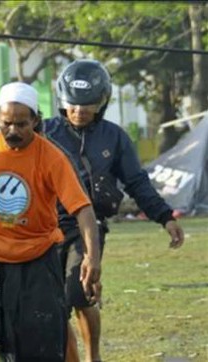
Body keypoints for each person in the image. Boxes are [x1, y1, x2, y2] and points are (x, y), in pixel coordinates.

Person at [45, 60, 185, 362]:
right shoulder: (43, 131)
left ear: (102, 103)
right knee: (54, 306)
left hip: (87, 227)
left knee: (78, 295)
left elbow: (136, 182)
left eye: (88, 105)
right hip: (45, 227)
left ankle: (93, 356)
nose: (79, 111)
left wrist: (165, 217)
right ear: (62, 100)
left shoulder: (115, 137)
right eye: (73, 104)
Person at [0, 82, 102, 362]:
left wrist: (91, 258)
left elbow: (83, 209)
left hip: (38, 257)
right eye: (7, 123)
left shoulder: (51, 157)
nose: (13, 131)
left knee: (40, 343)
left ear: (35, 120)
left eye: (22, 124)